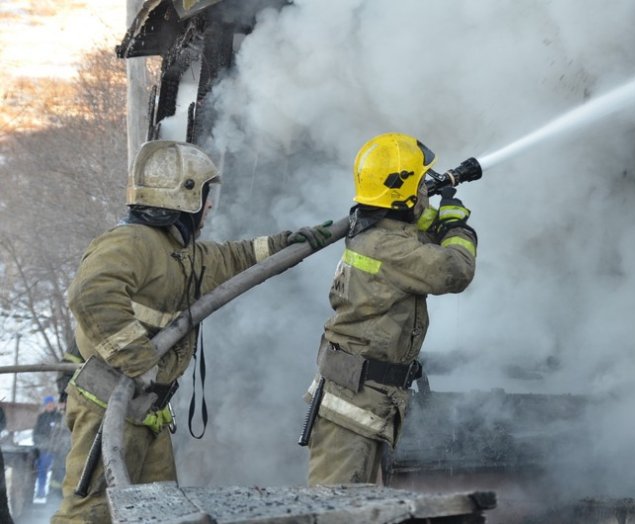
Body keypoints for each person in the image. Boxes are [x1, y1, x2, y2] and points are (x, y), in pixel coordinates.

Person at [52, 140, 332, 523]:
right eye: (204, 195)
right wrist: (138, 357)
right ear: (182, 199)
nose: (210, 205)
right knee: (91, 515)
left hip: (148, 414)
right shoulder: (131, 243)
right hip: (109, 409)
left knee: (161, 514)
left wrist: (291, 243)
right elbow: (90, 292)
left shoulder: (183, 253)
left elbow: (238, 257)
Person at [304, 132, 478, 485]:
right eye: (422, 187)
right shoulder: (390, 249)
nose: (426, 194)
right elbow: (456, 271)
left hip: (364, 400)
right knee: (336, 514)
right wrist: (457, 226)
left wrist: (426, 222)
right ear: (406, 192)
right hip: (355, 406)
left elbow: (405, 241)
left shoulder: (373, 232)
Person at [34, 396, 62, 501]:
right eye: (47, 404)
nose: (49, 405)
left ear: (54, 404)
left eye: (51, 403)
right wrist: (43, 443)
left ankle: (54, 495)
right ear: (45, 405)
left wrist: (57, 444)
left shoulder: (59, 417)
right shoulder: (41, 417)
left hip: (57, 450)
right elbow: (36, 434)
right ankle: (40, 492)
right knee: (42, 470)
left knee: (57, 472)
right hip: (45, 449)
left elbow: (63, 433)